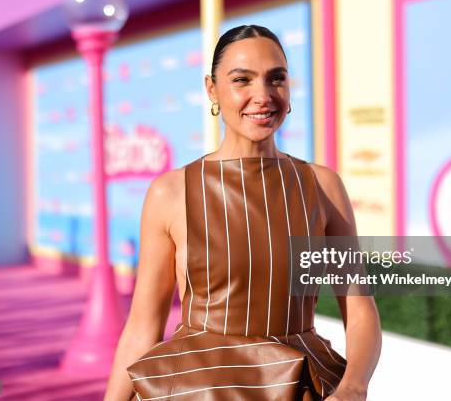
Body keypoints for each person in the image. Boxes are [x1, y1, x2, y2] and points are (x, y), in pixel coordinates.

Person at [105, 25, 381, 401]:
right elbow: (142, 326)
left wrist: (353, 387)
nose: (263, 96)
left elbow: (359, 305)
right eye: (242, 80)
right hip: (194, 389)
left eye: (276, 79)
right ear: (212, 89)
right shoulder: (170, 193)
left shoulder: (322, 186)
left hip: (301, 386)